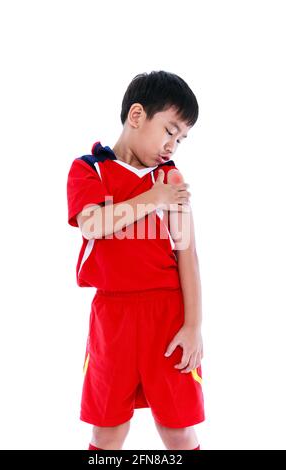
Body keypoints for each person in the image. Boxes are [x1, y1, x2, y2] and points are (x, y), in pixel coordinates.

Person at [66, 70, 205, 450]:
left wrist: (193, 325)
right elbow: (92, 224)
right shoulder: (89, 168)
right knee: (107, 430)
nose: (173, 145)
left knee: (177, 428)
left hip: (167, 315)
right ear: (138, 115)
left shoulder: (171, 179)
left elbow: (187, 255)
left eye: (181, 138)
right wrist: (152, 199)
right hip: (112, 318)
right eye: (170, 130)